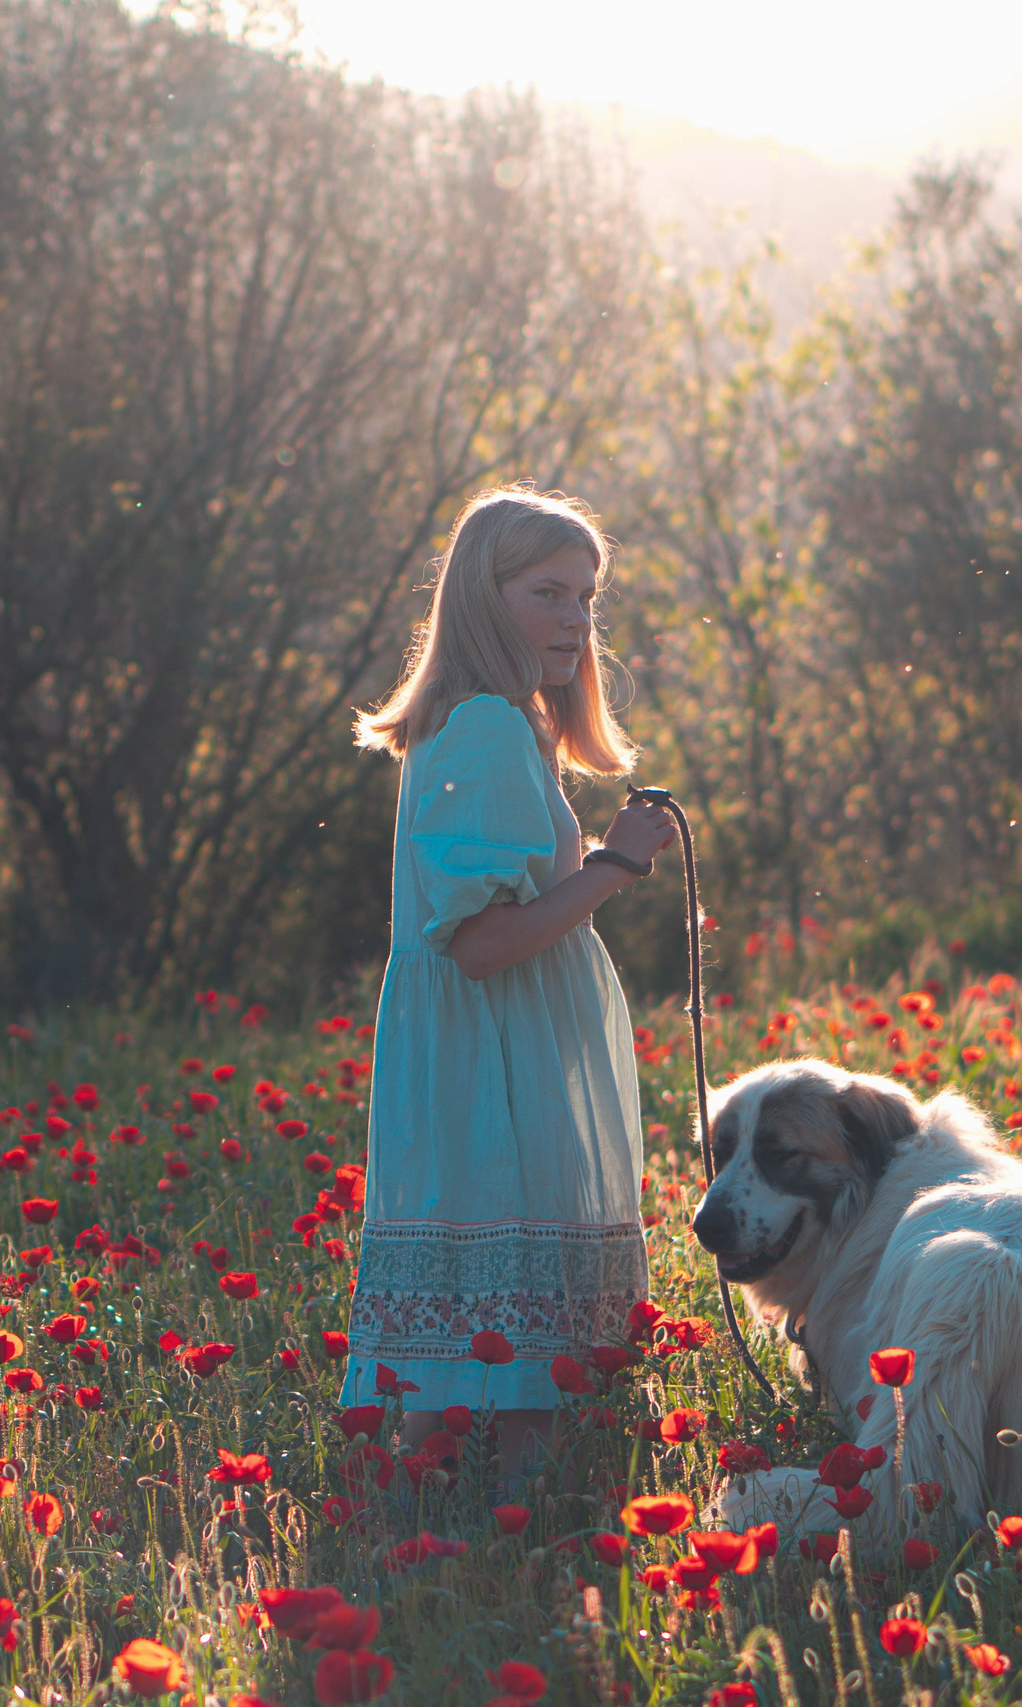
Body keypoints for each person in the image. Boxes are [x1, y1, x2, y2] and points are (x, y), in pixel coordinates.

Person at [343, 484, 675, 1500]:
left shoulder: (498, 726)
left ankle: (461, 1543)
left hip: (495, 1052)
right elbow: (483, 944)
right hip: (495, 1063)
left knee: (492, 1363)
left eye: (586, 596)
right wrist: (616, 865)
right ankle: (510, 1543)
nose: (576, 619)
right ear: (483, 600)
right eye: (548, 592)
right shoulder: (485, 727)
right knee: (517, 1375)